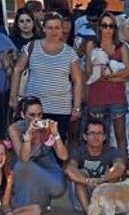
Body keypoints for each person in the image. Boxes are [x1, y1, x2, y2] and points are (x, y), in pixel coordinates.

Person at [10, 12, 84, 142]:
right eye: (50, 27)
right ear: (44, 28)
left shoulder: (70, 52)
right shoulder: (32, 46)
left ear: (62, 29)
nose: (53, 31)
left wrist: (76, 107)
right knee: (32, 144)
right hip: (34, 108)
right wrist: (14, 98)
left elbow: (77, 81)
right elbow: (17, 70)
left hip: (60, 108)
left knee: (56, 145)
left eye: (57, 27)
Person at [84, 11, 129, 155]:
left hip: (117, 97)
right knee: (95, 137)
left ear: (115, 28)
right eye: (104, 25)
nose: (107, 29)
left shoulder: (121, 46)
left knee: (121, 137)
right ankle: (98, 167)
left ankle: (122, 168)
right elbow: (88, 71)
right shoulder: (91, 45)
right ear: (99, 27)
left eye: (111, 26)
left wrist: (107, 76)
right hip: (97, 97)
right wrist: (119, 77)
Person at [7, 96, 68, 209]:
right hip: (25, 165)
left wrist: (56, 134)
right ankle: (22, 204)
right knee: (23, 166)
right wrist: (29, 137)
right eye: (32, 115)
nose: (37, 118)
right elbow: (23, 158)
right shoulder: (15, 128)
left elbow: (63, 156)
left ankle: (41, 201)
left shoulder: (47, 126)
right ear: (22, 114)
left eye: (39, 114)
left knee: (58, 187)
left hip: (46, 163)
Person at [66, 119, 125, 213]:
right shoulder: (78, 151)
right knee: (80, 173)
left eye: (99, 133)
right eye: (92, 133)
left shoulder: (113, 151)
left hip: (103, 195)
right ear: (85, 137)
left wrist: (103, 179)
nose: (95, 137)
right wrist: (87, 181)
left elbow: (120, 167)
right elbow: (69, 169)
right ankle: (90, 214)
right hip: (82, 200)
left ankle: (105, 210)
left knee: (113, 174)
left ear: (105, 137)